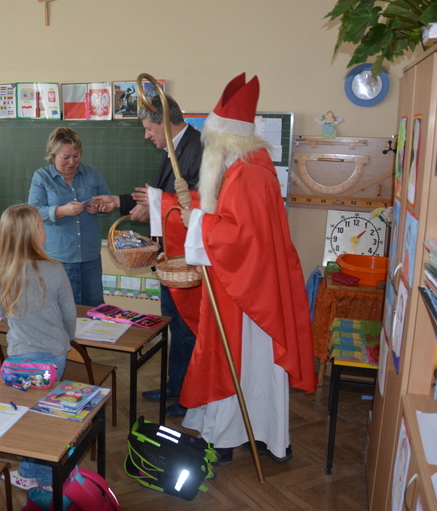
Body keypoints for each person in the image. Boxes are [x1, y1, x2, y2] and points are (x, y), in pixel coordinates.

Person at [168, 73, 316, 466]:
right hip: (250, 287)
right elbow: (231, 219)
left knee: (239, 363)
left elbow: (239, 238)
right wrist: (193, 212)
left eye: (210, 142)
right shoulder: (246, 167)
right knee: (252, 368)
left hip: (248, 296)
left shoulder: (248, 175)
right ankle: (257, 432)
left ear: (224, 141)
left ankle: (229, 436)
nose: (207, 150)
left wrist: (198, 222)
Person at [94, 94, 203, 418]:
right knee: (174, 326)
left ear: (165, 123)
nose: (146, 136)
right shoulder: (175, 148)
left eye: (149, 128)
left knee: (188, 330)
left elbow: (197, 204)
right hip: (171, 260)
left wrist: (154, 207)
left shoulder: (199, 149)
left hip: (188, 262)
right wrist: (119, 201)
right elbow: (159, 197)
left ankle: (191, 394)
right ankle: (176, 384)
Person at [0, 204, 76, 490]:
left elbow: (4, 315)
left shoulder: (1, 272)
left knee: (29, 416)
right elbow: (69, 315)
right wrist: (65, 339)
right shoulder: (54, 269)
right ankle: (43, 479)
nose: (44, 228)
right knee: (43, 416)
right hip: (54, 356)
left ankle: (32, 472)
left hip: (19, 358)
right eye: (41, 224)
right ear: (32, 234)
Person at [28, 127, 110, 306]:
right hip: (57, 258)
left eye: (76, 155)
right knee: (59, 309)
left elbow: (108, 202)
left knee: (93, 308)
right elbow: (33, 211)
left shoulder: (92, 174)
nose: (72, 162)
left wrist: (99, 207)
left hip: (90, 257)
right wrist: (61, 211)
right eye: (65, 157)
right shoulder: (41, 177)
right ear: (53, 155)